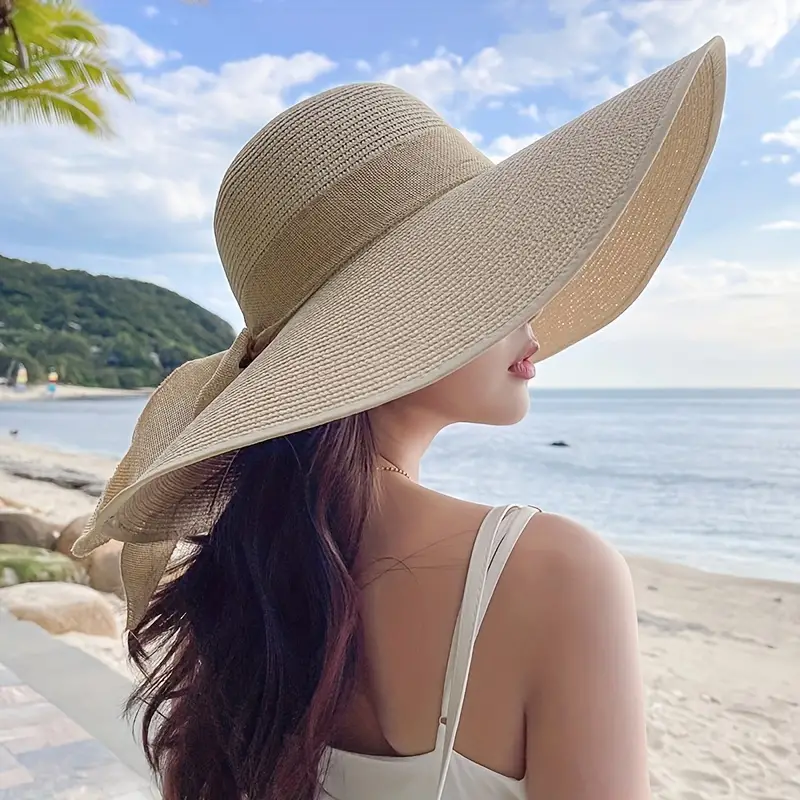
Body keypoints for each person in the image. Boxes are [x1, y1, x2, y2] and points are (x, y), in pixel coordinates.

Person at [73, 37, 726, 800]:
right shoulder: (555, 574)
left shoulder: (247, 569)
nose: (533, 311)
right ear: (400, 317)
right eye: (493, 275)